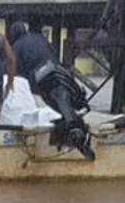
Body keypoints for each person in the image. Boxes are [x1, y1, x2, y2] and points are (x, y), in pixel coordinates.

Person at [9, 21, 93, 160]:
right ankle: (73, 125)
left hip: (39, 78)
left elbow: (17, 75)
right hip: (56, 69)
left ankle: (65, 131)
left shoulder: (16, 47)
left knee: (52, 103)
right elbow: (52, 52)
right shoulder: (39, 37)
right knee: (65, 101)